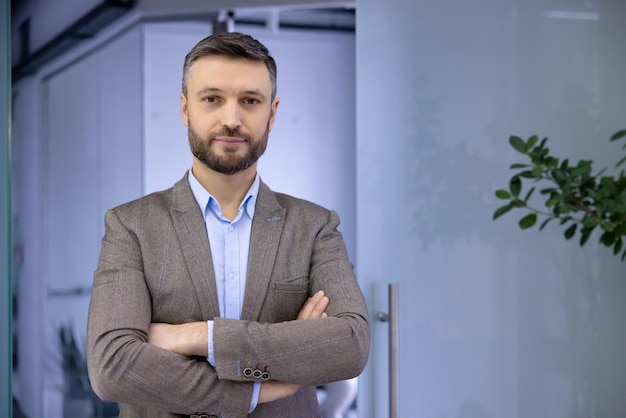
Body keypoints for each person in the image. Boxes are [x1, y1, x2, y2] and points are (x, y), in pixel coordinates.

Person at [86, 31, 370, 418]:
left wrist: (196, 337)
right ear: (186, 109)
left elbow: (350, 345)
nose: (231, 119)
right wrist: (260, 387)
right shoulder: (131, 226)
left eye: (250, 101)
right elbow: (113, 367)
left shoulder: (314, 226)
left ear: (271, 113)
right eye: (212, 99)